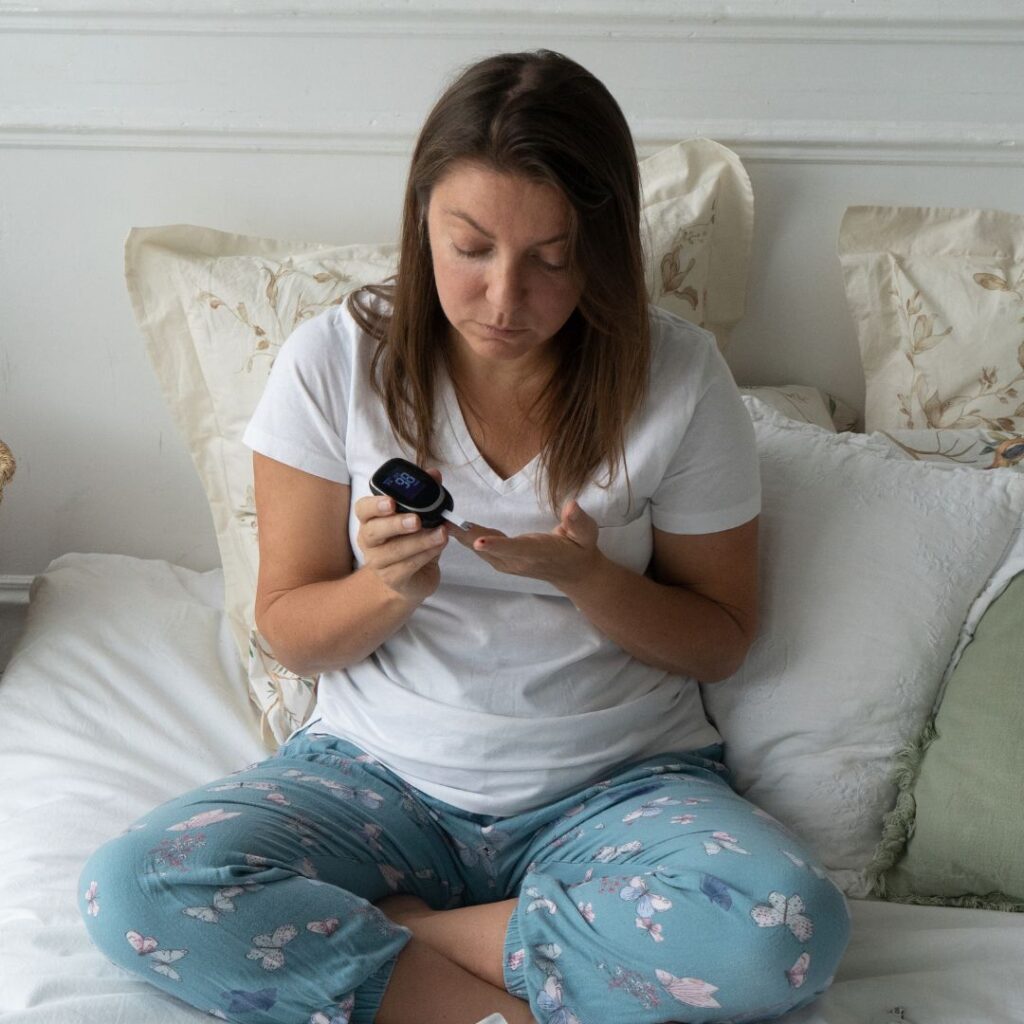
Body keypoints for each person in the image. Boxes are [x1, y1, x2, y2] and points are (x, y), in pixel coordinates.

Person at [79, 49, 849, 1024]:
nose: (501, 298)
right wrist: (385, 588)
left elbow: (721, 635)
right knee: (135, 889)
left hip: (615, 783)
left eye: (550, 259)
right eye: (469, 247)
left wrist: (591, 581)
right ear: (421, 227)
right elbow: (288, 624)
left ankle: (419, 933)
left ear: (599, 250)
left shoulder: (677, 378)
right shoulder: (333, 361)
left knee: (782, 934)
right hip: (375, 774)